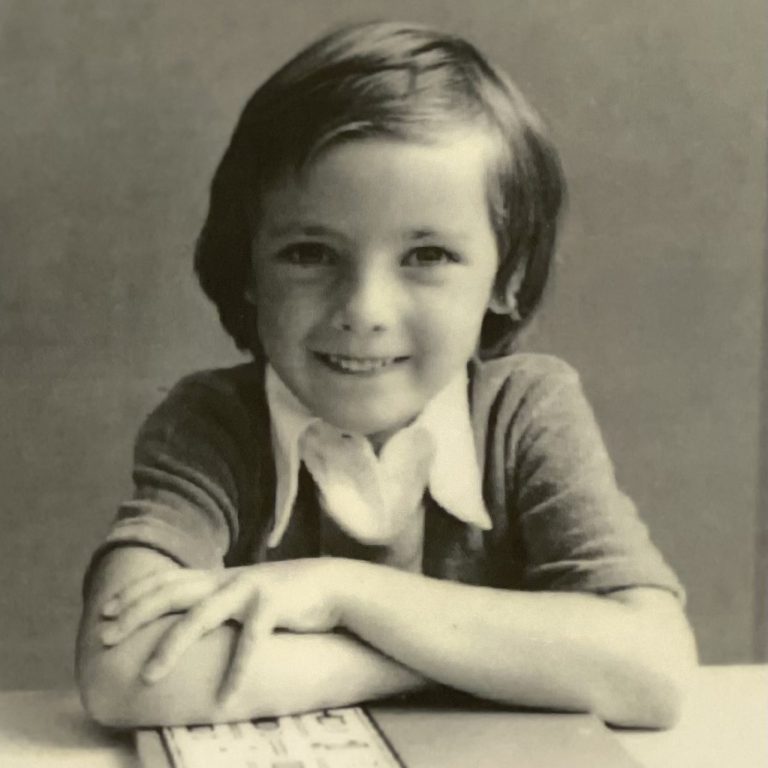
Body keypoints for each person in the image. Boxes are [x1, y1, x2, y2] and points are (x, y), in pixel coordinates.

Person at [76, 20, 696, 730]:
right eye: (310, 253)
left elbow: (654, 671)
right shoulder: (214, 425)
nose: (364, 311)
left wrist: (343, 593)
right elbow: (124, 673)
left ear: (508, 276)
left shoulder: (524, 414)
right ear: (247, 268)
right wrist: (470, 663)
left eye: (427, 256)